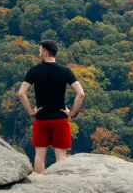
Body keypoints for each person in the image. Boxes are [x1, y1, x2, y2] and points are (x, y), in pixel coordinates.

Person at [17, 40, 85, 173]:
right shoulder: (65, 71)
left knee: (40, 155)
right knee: (60, 156)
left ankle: (40, 186)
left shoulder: (34, 70)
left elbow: (21, 93)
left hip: (41, 119)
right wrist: (71, 113)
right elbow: (81, 94)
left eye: (39, 51)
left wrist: (31, 111)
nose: (39, 54)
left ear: (45, 53)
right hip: (60, 119)